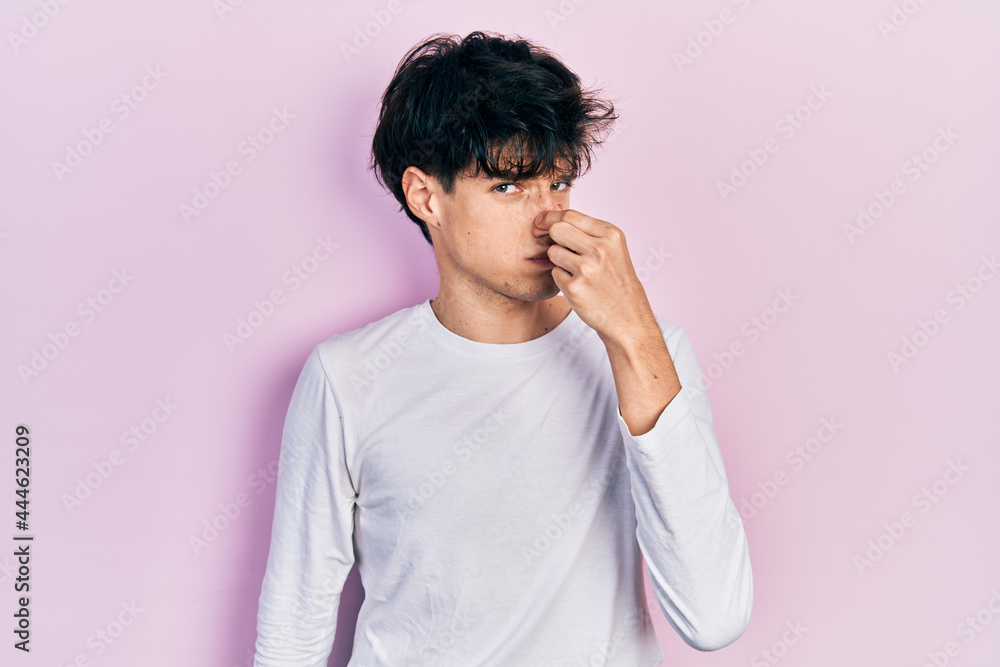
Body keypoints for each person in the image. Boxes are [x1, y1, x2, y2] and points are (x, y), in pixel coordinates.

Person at [253, 30, 752, 666]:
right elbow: (295, 619)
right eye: (508, 188)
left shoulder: (649, 353)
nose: (549, 219)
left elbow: (714, 616)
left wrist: (632, 333)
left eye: (560, 182)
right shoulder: (348, 375)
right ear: (426, 196)